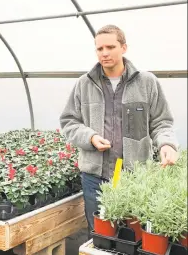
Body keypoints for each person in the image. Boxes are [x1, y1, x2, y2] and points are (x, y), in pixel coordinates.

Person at [59, 25, 179, 231]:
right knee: (99, 234)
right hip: (95, 178)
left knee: (133, 235)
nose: (104, 53)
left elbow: (161, 122)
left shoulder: (146, 82)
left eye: (110, 47)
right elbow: (69, 121)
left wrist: (166, 144)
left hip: (134, 176)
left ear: (124, 48)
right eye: (99, 48)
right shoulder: (84, 84)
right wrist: (90, 138)